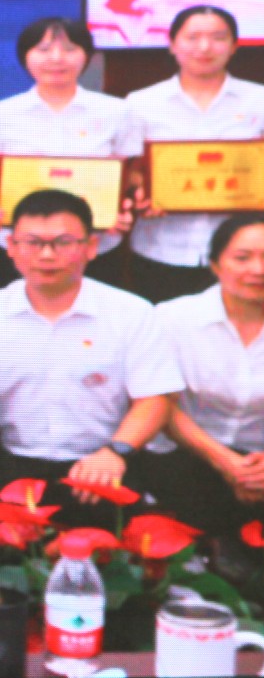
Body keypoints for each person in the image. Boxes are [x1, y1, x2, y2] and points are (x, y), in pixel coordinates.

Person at [0, 189, 183, 521]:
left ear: (91, 246)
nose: (46, 255)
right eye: (32, 242)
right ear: (11, 247)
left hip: (106, 464)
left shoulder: (131, 313)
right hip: (11, 464)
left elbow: (155, 398)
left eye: (63, 242)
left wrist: (116, 451)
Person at [148, 214, 264, 536]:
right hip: (186, 453)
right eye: (242, 258)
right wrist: (227, 463)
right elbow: (160, 406)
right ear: (215, 265)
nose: (259, 270)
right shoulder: (170, 318)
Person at [125, 6, 264, 302]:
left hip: (242, 256)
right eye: (192, 37)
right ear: (172, 44)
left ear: (234, 46)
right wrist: (144, 192)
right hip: (162, 245)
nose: (204, 47)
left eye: (218, 38)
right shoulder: (141, 102)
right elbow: (131, 170)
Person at [0, 16, 141, 289]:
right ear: (25, 56)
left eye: (69, 49)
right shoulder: (4, 114)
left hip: (94, 245)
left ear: (86, 56)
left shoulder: (117, 111)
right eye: (43, 49)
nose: (56, 58)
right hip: (20, 247)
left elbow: (131, 174)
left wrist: (120, 207)